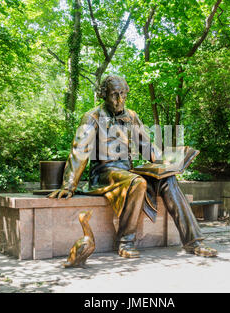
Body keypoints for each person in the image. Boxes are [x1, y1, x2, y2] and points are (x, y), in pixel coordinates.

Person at [48, 75, 217, 258]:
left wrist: (169, 163)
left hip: (127, 172)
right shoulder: (92, 117)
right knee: (137, 183)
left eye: (123, 94)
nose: (120, 99)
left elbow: (147, 148)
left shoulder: (132, 116)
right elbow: (79, 151)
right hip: (105, 173)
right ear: (104, 94)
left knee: (168, 178)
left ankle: (194, 242)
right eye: (114, 94)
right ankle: (125, 241)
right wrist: (69, 184)